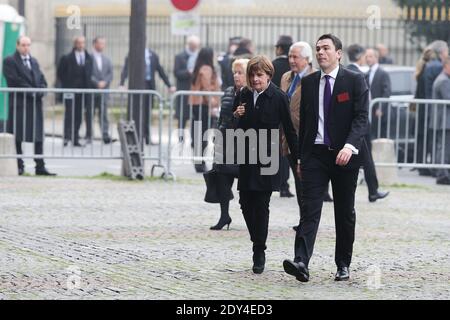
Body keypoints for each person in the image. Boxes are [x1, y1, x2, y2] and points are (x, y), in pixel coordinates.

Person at [283, 34, 368, 283]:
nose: (321, 52)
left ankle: (343, 264)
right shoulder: (309, 83)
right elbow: (307, 124)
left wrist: (350, 146)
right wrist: (301, 158)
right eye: (318, 48)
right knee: (309, 210)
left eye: (326, 48)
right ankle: (301, 262)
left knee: (344, 212)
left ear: (338, 53)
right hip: (315, 157)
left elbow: (361, 118)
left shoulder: (354, 80)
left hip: (344, 157)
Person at [233, 55, 298, 274]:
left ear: (269, 75)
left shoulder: (279, 97)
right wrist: (237, 114)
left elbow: (289, 129)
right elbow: (234, 124)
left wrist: (297, 157)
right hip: (246, 156)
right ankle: (257, 239)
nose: (255, 79)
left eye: (259, 75)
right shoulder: (243, 94)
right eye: (252, 75)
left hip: (268, 158)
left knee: (261, 205)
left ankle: (259, 249)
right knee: (244, 201)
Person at [3, 36, 56, 176]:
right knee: (18, 136)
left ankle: (40, 166)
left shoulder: (34, 61)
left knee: (38, 137)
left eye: (28, 45)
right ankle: (19, 166)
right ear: (17, 45)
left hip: (35, 105)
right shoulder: (10, 61)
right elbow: (14, 80)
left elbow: (42, 79)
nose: (26, 48)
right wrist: (32, 91)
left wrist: (41, 90)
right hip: (20, 105)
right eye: (23, 45)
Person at [209, 58, 249, 231]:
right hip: (224, 140)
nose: (236, 76)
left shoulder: (251, 94)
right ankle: (224, 215)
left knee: (245, 181)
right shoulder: (228, 92)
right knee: (221, 177)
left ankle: (251, 216)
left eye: (240, 72)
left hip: (243, 142)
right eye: (235, 72)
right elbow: (221, 118)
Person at [347, 44, 389, 202]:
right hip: (360, 125)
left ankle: (373, 190)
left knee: (362, 159)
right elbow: (363, 103)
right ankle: (373, 191)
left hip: (348, 124)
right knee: (367, 160)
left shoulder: (344, 71)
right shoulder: (359, 75)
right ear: (360, 56)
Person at [280, 41, 315, 227]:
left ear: (307, 60)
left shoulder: (315, 78)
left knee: (306, 183)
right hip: (289, 138)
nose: (292, 60)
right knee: (297, 181)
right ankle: (304, 219)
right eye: (290, 56)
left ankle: (308, 220)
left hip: (306, 138)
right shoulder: (286, 77)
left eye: (296, 57)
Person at [120, 46, 176, 145]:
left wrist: (169, 85)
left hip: (150, 86)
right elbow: (126, 68)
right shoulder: (133, 53)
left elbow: (160, 70)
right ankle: (135, 136)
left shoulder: (153, 55)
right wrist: (122, 83)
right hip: (137, 85)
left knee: (147, 112)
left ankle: (147, 136)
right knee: (136, 111)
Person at [57, 36, 93, 147]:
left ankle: (75, 137)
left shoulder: (88, 58)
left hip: (83, 91)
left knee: (78, 115)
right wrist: (67, 84)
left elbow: (90, 73)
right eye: (79, 43)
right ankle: (67, 137)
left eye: (83, 43)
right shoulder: (67, 58)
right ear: (75, 44)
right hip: (70, 89)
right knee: (69, 114)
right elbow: (60, 73)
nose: (81, 45)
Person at [189, 47, 221, 173]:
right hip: (203, 104)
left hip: (198, 104)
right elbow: (206, 87)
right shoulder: (206, 69)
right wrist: (212, 102)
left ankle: (199, 161)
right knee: (202, 134)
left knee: (199, 133)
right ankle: (200, 162)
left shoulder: (199, 68)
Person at [273, 35, 294, 198]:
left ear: (279, 48)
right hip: (292, 113)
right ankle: (285, 185)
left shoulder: (273, 65)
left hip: (276, 113)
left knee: (279, 149)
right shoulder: (294, 66)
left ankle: (280, 183)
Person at [414, 46, 437, 176]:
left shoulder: (421, 69)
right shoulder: (427, 70)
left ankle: (420, 163)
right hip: (425, 108)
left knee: (421, 137)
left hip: (421, 109)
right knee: (426, 138)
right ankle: (423, 165)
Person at [87, 36, 114, 144]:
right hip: (92, 90)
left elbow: (110, 74)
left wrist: (105, 82)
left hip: (104, 91)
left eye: (104, 43)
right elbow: (88, 73)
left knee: (103, 114)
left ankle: (105, 135)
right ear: (95, 44)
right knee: (90, 113)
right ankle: (89, 135)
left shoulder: (107, 59)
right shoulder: (88, 58)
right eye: (100, 43)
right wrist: (96, 83)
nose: (102, 45)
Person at [174, 35, 200, 137]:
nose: (194, 48)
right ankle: (181, 137)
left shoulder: (198, 57)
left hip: (195, 90)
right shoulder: (180, 56)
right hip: (184, 89)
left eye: (196, 46)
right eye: (193, 46)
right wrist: (188, 72)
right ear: (189, 45)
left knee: (194, 115)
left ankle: (194, 137)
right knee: (182, 116)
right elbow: (177, 72)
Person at [431, 57, 450, 185]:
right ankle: (442, 174)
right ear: (446, 66)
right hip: (444, 121)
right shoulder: (443, 80)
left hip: (442, 120)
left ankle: (442, 173)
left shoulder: (442, 78)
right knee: (444, 147)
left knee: (442, 147)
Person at [365, 48, 391, 139]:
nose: (368, 59)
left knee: (380, 137)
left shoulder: (383, 73)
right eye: (366, 57)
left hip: (379, 112)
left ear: (376, 58)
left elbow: (387, 92)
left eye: (370, 56)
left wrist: (380, 108)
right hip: (370, 111)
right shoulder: (367, 73)